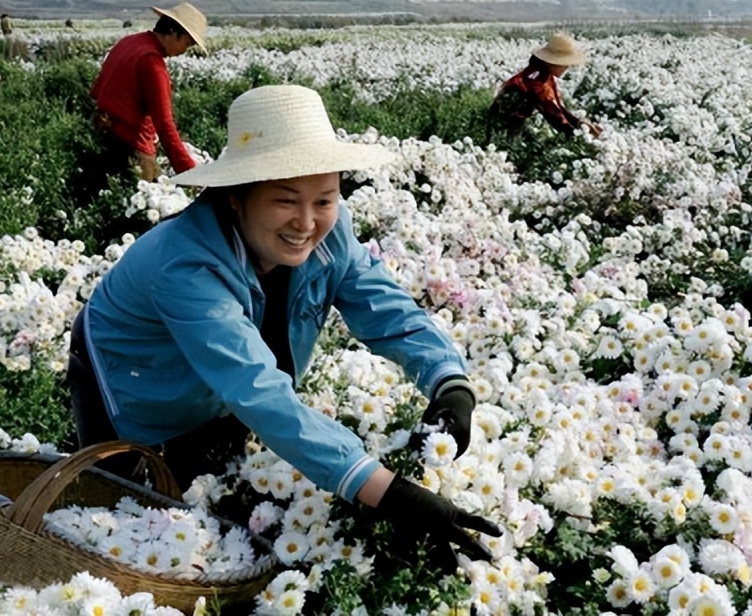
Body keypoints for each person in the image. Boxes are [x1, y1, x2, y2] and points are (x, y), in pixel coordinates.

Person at [66, 84, 500, 567]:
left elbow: (384, 307)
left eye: (325, 199)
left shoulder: (331, 232)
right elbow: (254, 387)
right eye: (285, 200)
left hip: (226, 385)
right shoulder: (185, 265)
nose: (306, 223)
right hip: (135, 373)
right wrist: (387, 492)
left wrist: (448, 380)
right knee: (124, 516)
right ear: (236, 196)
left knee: (216, 490)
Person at [88, 3, 205, 182]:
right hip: (132, 145)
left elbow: (97, 89)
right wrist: (189, 172)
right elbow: (164, 124)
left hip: (103, 132)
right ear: (173, 32)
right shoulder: (152, 62)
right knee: (146, 192)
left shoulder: (129, 42)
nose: (184, 52)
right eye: (187, 44)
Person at [487, 32, 602, 139]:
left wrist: (578, 122)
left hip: (510, 122)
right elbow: (553, 114)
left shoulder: (542, 75)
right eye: (564, 63)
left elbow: (557, 107)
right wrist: (578, 135)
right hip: (504, 128)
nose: (567, 67)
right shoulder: (536, 82)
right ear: (552, 62)